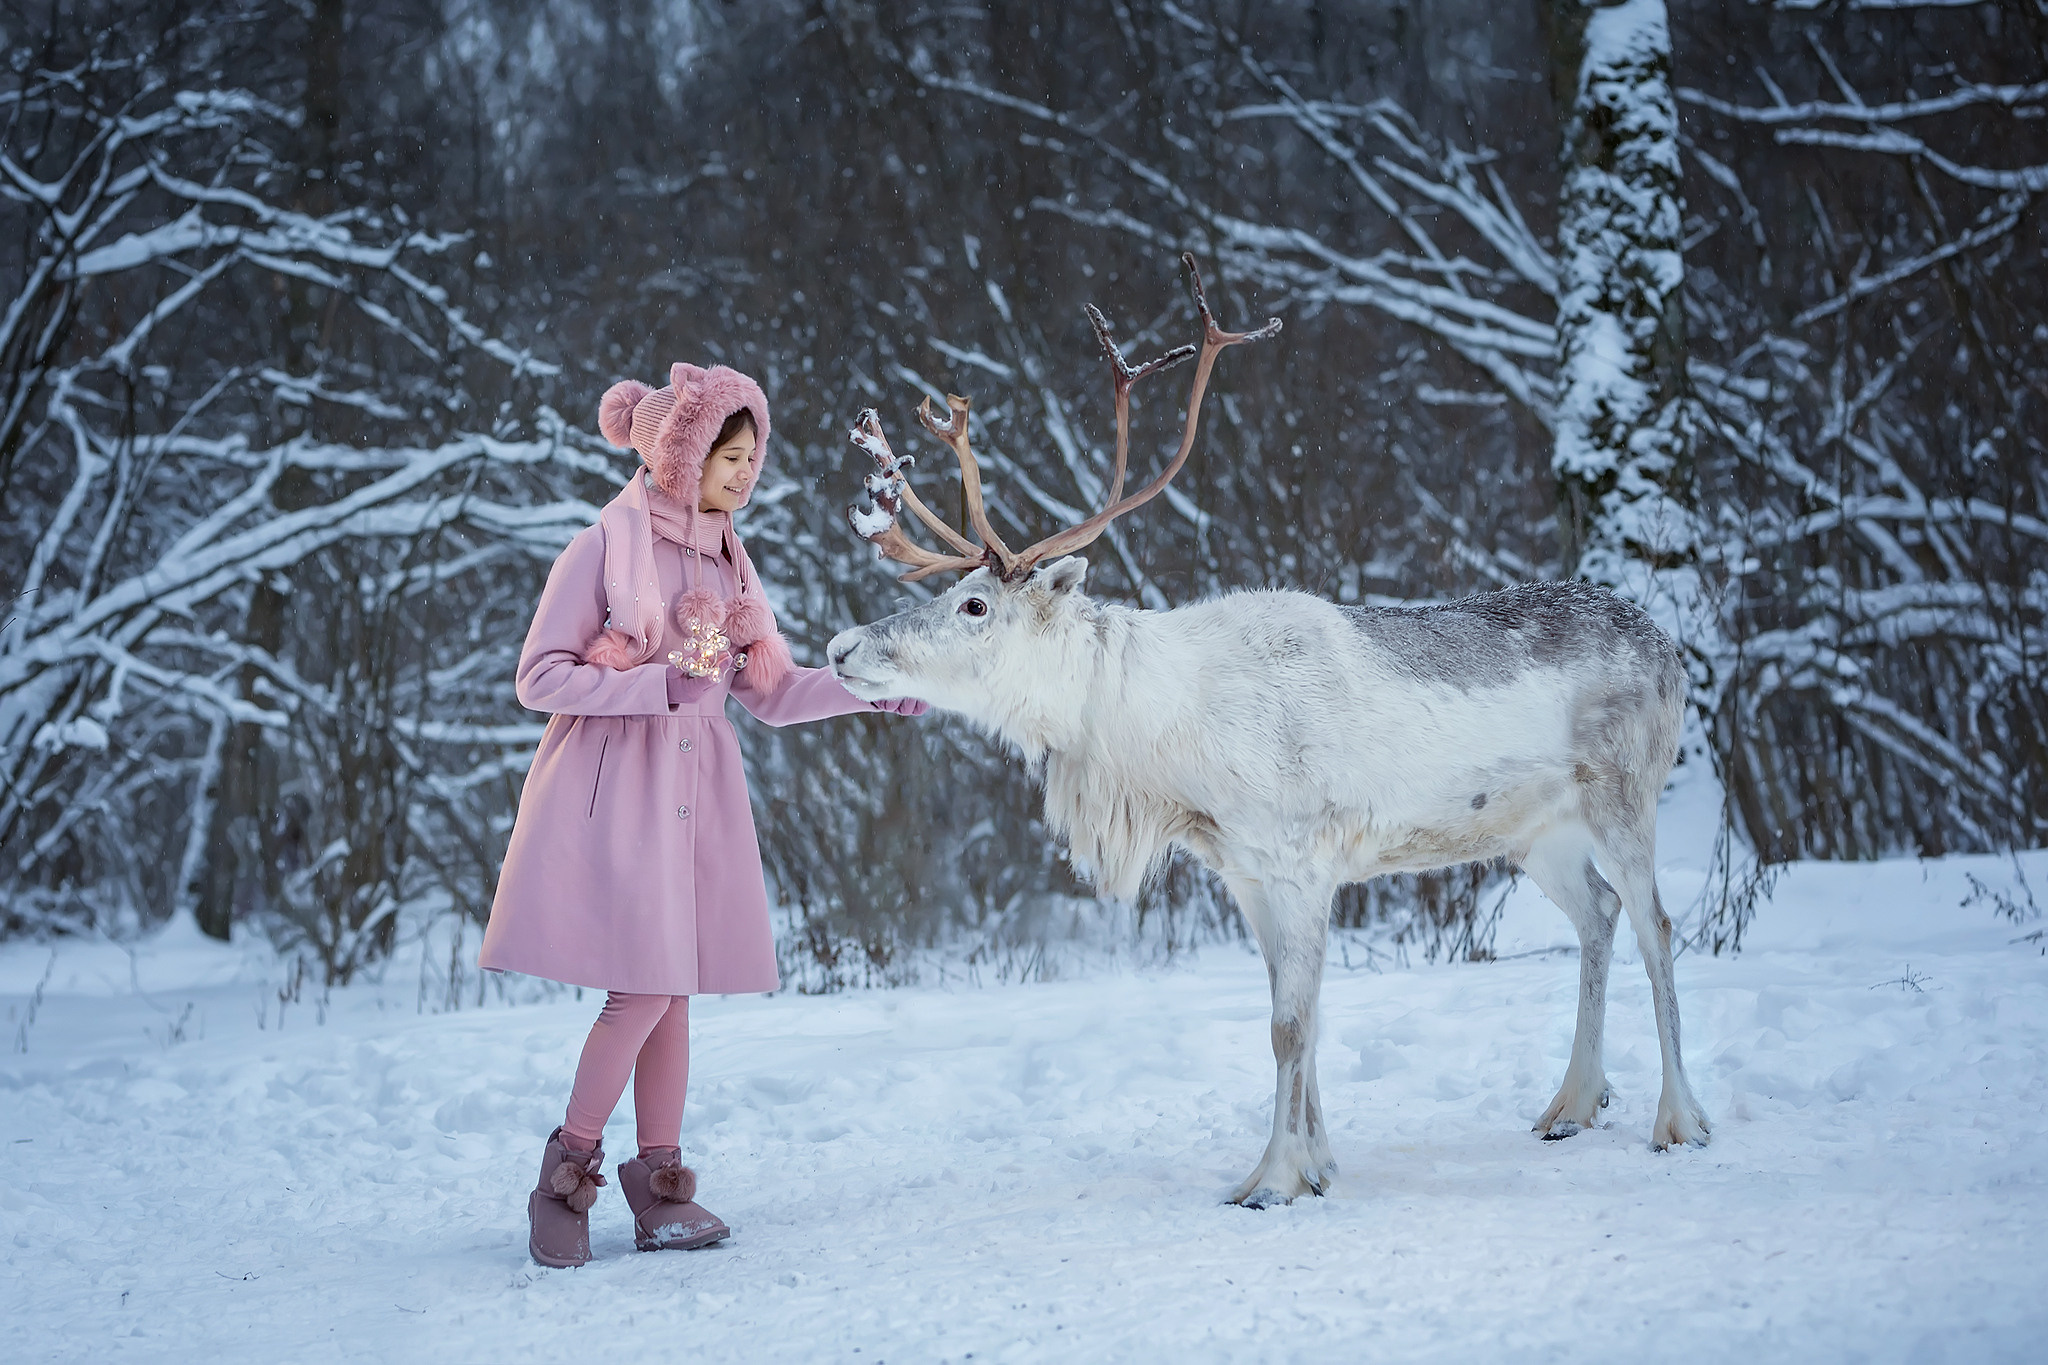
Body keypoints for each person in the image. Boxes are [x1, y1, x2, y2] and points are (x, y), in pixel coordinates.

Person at [479, 362, 925, 1268]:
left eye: (754, 455)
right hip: (617, 791)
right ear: (684, 453)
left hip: (695, 792)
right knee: (641, 987)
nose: (745, 470)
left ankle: (659, 1183)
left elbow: (770, 691)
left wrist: (866, 690)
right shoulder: (604, 545)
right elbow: (539, 675)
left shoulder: (729, 563)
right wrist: (655, 681)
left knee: (671, 989)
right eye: (730, 453)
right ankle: (565, 1172)